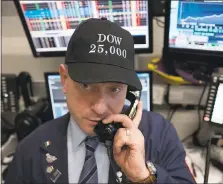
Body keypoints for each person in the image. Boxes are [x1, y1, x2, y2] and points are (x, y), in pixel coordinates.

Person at [5, 18, 195, 184]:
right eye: (86, 86)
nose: (100, 108)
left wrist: (143, 176)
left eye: (115, 89)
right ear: (64, 79)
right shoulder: (30, 149)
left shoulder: (159, 134)